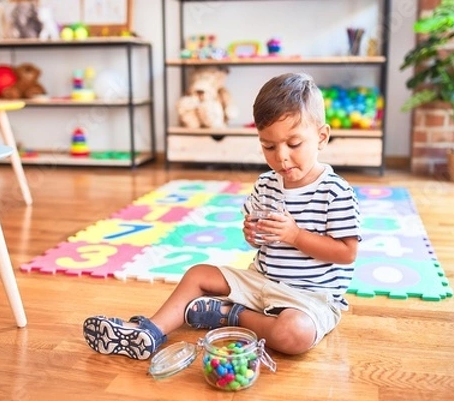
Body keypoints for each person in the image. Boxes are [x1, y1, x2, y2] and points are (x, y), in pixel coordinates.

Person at [83, 72, 361, 360]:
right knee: (198, 274)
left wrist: (295, 236)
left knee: (294, 333)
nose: (281, 157)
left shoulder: (335, 191)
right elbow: (258, 240)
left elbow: (347, 253)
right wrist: (252, 235)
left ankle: (230, 315)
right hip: (261, 282)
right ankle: (149, 332)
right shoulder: (266, 184)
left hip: (309, 298)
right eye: (269, 146)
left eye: (293, 144)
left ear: (321, 137)